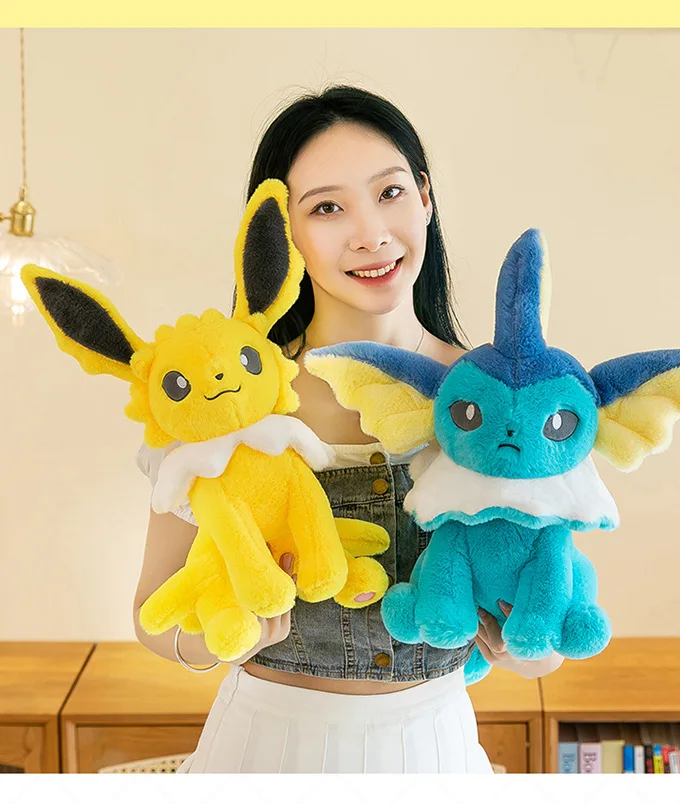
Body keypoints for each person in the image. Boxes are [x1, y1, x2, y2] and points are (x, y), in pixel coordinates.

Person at [133, 85, 563, 774]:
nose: (370, 234)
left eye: (389, 193)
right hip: (264, 751)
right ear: (283, 234)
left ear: (425, 196)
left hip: (437, 752)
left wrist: (524, 647)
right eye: (327, 208)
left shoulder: (493, 403)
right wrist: (219, 639)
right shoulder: (228, 402)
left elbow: (549, 615)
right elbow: (151, 612)